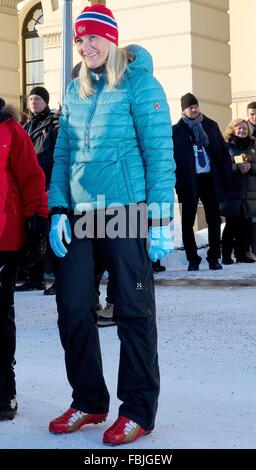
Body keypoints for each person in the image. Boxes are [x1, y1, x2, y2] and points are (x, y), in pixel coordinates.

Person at [47, 3, 175, 446]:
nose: (85, 45)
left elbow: (160, 152)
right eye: (80, 39)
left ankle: (138, 409)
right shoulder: (74, 89)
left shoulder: (141, 83)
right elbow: (63, 155)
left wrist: (160, 218)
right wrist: (58, 209)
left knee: (133, 311)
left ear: (112, 37)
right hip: (81, 214)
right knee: (73, 308)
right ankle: (88, 399)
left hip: (126, 210)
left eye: (93, 37)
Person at [0, 97, 48, 420]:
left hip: (3, 239)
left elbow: (31, 177)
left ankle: (4, 390)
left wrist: (36, 219)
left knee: (0, 317)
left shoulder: (12, 131)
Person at [173, 92, 231, 271]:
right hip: (189, 181)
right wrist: (178, 183)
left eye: (196, 106)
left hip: (210, 179)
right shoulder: (176, 131)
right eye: (190, 107)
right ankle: (192, 259)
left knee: (214, 219)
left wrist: (225, 178)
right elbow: (172, 160)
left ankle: (214, 257)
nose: (194, 109)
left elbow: (222, 153)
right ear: (183, 109)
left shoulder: (210, 125)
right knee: (188, 221)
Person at [15, 86, 60, 295]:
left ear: (46, 101)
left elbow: (57, 156)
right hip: (31, 187)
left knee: (53, 233)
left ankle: (60, 280)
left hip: (49, 185)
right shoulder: (27, 125)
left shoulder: (53, 123)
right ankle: (35, 277)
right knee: (34, 231)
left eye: (38, 99)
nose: (34, 102)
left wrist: (53, 185)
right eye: (31, 99)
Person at [220, 119, 256, 263]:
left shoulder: (253, 146)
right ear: (232, 129)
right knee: (231, 225)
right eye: (239, 128)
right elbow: (222, 168)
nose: (242, 131)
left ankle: (242, 254)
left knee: (245, 225)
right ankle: (227, 255)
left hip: (249, 192)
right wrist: (236, 168)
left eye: (245, 128)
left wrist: (251, 168)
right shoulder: (226, 146)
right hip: (232, 193)